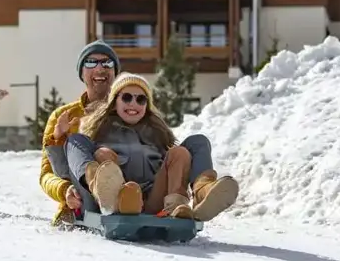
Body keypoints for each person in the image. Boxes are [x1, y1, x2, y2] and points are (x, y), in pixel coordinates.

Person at [62, 73, 240, 221]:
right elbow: (67, 165)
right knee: (88, 147)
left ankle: (200, 194)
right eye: (126, 97)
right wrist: (59, 140)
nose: (134, 104)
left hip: (156, 201)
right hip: (118, 200)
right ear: (114, 103)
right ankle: (108, 191)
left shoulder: (157, 135)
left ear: (147, 106)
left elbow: (175, 166)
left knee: (190, 146)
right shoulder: (99, 133)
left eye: (141, 99)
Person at [40, 40, 120, 225]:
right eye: (91, 62)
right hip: (79, 208)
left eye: (107, 63)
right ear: (81, 73)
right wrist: (64, 190)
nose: (100, 69)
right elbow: (46, 174)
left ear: (115, 72)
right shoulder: (63, 116)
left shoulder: (129, 112)